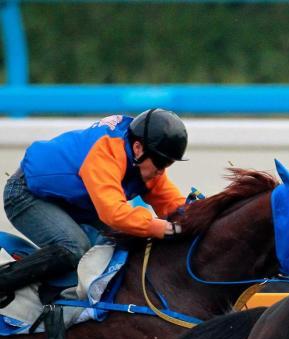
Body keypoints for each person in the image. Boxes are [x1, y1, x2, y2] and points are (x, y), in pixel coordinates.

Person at [0, 108, 189, 307]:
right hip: (25, 193)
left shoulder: (144, 161)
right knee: (74, 247)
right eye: (160, 162)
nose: (162, 171)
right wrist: (166, 228)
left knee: (124, 246)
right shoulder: (107, 151)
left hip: (70, 202)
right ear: (137, 148)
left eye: (168, 163)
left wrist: (199, 216)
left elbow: (173, 205)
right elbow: (114, 214)